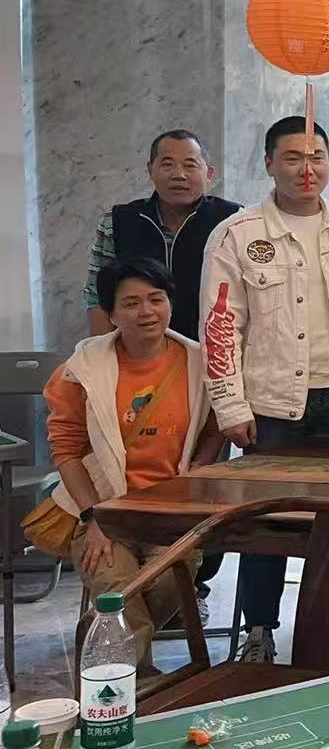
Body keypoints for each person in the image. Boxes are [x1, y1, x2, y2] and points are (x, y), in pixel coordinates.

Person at [200, 116, 329, 665]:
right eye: (293, 157)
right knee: (266, 522)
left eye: (315, 156)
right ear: (270, 163)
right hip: (273, 405)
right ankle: (259, 631)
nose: (306, 168)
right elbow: (220, 324)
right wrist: (229, 405)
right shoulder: (238, 234)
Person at [44, 259, 222, 670]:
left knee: (170, 583)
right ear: (110, 314)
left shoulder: (199, 363)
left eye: (156, 299)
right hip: (105, 514)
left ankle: (120, 673)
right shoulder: (81, 370)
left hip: (171, 514)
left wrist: (197, 469)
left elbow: (216, 428)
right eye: (131, 303)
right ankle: (134, 685)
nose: (146, 312)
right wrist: (93, 518)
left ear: (170, 304)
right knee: (117, 592)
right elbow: (66, 451)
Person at [85, 130, 240, 339]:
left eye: (190, 165)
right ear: (151, 170)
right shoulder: (117, 221)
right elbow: (97, 295)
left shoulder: (234, 220)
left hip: (214, 348)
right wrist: (101, 353)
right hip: (138, 348)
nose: (179, 175)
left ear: (209, 174)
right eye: (167, 164)